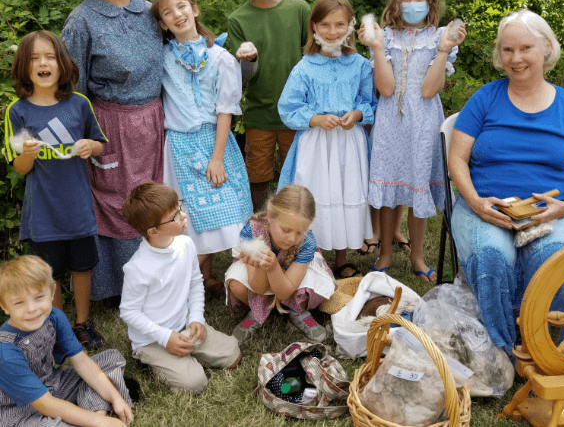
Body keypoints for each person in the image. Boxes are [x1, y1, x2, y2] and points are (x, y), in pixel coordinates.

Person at [448, 9, 564, 354]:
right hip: (488, 207)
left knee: (553, 257)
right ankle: (501, 352)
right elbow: (456, 158)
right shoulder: (485, 98)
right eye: (507, 50)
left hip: (552, 210)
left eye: (525, 48)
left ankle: (548, 347)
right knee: (491, 254)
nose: (515, 59)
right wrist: (475, 202)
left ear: (546, 48)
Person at [61, 0, 164, 303]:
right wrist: (85, 137)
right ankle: (114, 287)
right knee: (117, 202)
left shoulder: (150, 10)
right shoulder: (83, 20)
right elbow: (73, 88)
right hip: (111, 124)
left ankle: (156, 279)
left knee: (153, 198)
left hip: (154, 121)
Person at [360, 0, 466, 282]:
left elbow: (429, 90)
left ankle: (418, 257)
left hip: (423, 124)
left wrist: (444, 49)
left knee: (419, 189)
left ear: (430, 2)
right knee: (391, 188)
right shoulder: (385, 36)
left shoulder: (439, 37)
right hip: (390, 123)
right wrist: (377, 48)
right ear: (396, 2)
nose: (412, 3)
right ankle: (386, 254)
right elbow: (387, 89)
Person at [4, 31, 108, 349]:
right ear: (24, 67)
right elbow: (19, 168)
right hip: (44, 214)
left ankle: (83, 323)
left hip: (78, 209)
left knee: (82, 267)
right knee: (51, 275)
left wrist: (91, 145)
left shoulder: (79, 104)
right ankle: (60, 328)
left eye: (49, 56)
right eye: (34, 58)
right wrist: (28, 155)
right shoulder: (17, 112)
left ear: (62, 64)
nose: (43, 63)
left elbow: (101, 145)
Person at [150, 0, 253, 294]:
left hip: (214, 142)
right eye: (167, 13)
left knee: (229, 208)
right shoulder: (162, 58)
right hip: (179, 146)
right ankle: (198, 280)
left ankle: (246, 281)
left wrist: (218, 157)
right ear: (164, 25)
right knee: (190, 215)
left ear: (194, 9)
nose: (176, 14)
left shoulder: (220, 58)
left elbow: (225, 111)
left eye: (181, 6)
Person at [277, 0, 375, 278]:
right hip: (316, 144)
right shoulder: (305, 67)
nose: (333, 32)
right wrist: (316, 118)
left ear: (350, 26)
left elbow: (368, 101)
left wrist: (356, 115)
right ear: (314, 27)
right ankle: (311, 256)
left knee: (346, 192)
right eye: (326, 25)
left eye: (340, 24)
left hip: (349, 143)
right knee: (316, 194)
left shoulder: (359, 65)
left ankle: (342, 257)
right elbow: (288, 107)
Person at [120, 181, 242, 393]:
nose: (183, 216)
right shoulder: (137, 268)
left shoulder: (185, 244)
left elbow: (196, 282)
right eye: (174, 216)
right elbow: (129, 312)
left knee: (233, 355)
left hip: (184, 326)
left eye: (180, 208)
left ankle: (186, 353)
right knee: (195, 383)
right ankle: (153, 358)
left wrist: (196, 318)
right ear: (153, 231)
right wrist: (165, 338)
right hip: (153, 340)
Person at [0, 255, 134, 427]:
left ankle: (97, 410)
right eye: (19, 303)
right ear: (4, 306)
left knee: (110, 359)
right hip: (18, 410)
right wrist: (99, 422)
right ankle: (91, 415)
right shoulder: (5, 351)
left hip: (53, 385)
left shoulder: (54, 317)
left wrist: (114, 399)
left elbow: (81, 361)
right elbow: (45, 404)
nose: (32, 309)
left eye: (39, 297)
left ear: (52, 292)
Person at [225, 0, 311, 212]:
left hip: (298, 112)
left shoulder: (299, 9)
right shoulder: (238, 19)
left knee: (296, 180)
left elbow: (313, 57)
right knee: (257, 179)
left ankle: (294, 233)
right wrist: (247, 60)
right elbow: (240, 76)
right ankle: (257, 233)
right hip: (259, 113)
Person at [225, 185, 336, 344]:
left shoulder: (307, 242)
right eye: (286, 230)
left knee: (312, 284)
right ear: (270, 217)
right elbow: (258, 287)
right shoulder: (253, 231)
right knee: (237, 284)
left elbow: (285, 291)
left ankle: (298, 311)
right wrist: (262, 267)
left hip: (289, 283)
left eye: (299, 232)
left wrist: (274, 267)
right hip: (260, 283)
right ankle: (257, 311)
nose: (291, 239)